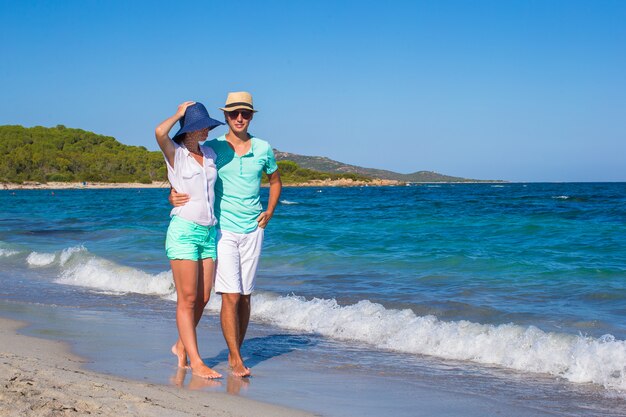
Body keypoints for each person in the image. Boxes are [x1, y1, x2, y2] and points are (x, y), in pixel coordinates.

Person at [170, 92, 282, 377]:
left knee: (245, 296)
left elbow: (275, 180)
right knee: (230, 296)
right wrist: (171, 195)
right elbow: (187, 172)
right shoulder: (214, 147)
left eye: (245, 113)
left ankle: (227, 350)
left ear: (252, 116)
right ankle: (234, 358)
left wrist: (269, 210)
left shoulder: (263, 148)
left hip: (254, 229)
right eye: (234, 114)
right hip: (222, 229)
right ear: (227, 117)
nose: (239, 118)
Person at [155, 101, 224, 379]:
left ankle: (180, 345)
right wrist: (178, 113)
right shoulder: (176, 154)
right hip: (184, 230)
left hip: (209, 232)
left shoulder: (209, 154)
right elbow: (160, 132)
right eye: (200, 126)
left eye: (207, 125)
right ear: (189, 129)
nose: (206, 130)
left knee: (204, 296)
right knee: (187, 299)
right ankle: (195, 360)